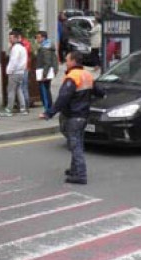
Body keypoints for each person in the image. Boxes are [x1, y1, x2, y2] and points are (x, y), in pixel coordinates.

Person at [40, 52, 104, 185]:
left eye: (67, 60)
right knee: (77, 143)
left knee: (75, 146)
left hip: (74, 115)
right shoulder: (87, 75)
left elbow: (63, 98)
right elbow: (99, 92)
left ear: (74, 61)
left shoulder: (72, 77)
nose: (66, 62)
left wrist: (49, 113)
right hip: (83, 115)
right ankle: (74, 169)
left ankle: (80, 174)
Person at [2, 30, 28, 117]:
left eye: (11, 38)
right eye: (9, 38)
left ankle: (9, 109)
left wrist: (9, 70)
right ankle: (23, 108)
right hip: (21, 71)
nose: (10, 40)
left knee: (11, 90)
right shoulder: (22, 47)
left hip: (15, 72)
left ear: (17, 38)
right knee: (19, 90)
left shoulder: (15, 48)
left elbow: (13, 61)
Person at [35, 31, 58, 115]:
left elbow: (47, 62)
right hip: (47, 71)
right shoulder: (47, 46)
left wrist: (44, 74)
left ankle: (47, 110)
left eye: (38, 37)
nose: (37, 39)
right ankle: (49, 109)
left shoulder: (45, 48)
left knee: (44, 92)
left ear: (43, 38)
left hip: (44, 72)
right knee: (46, 90)